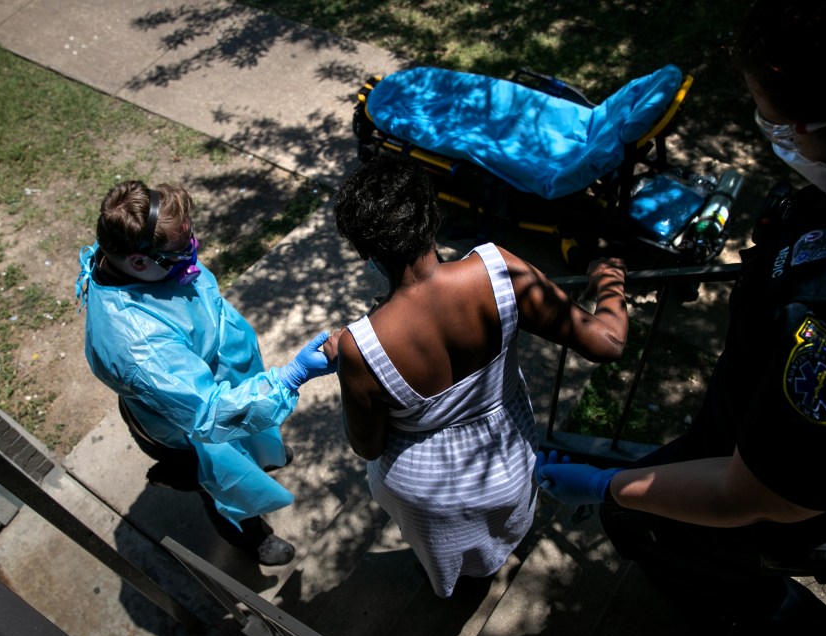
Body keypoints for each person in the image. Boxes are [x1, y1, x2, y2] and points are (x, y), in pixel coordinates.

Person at [535, 0, 826, 636]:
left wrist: (611, 485)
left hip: (774, 488)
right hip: (750, 430)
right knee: (661, 523)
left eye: (783, 123)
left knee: (685, 543)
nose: (775, 135)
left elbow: (756, 495)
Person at [331, 154, 629, 598]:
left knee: (444, 557)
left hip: (423, 495)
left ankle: (450, 583)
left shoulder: (360, 347)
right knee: (494, 539)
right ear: (432, 216)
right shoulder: (499, 272)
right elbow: (606, 340)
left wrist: (348, 363)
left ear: (366, 252)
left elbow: (368, 445)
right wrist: (611, 282)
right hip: (505, 459)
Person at [75, 180, 337, 565]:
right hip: (191, 424)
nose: (192, 257)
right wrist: (292, 376)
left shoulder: (130, 256)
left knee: (248, 443)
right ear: (137, 262)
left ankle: (261, 453)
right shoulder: (139, 347)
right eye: (182, 252)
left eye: (191, 240)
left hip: (223, 381)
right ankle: (251, 537)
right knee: (221, 481)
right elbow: (209, 415)